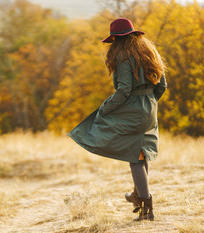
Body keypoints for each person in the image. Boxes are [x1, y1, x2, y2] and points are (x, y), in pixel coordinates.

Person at [68, 18, 167, 221]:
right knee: (140, 152)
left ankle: (146, 207)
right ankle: (139, 197)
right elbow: (162, 85)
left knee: (131, 154)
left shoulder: (123, 57)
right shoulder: (150, 52)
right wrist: (149, 101)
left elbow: (123, 90)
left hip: (134, 110)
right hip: (150, 107)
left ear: (116, 40)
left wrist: (105, 108)